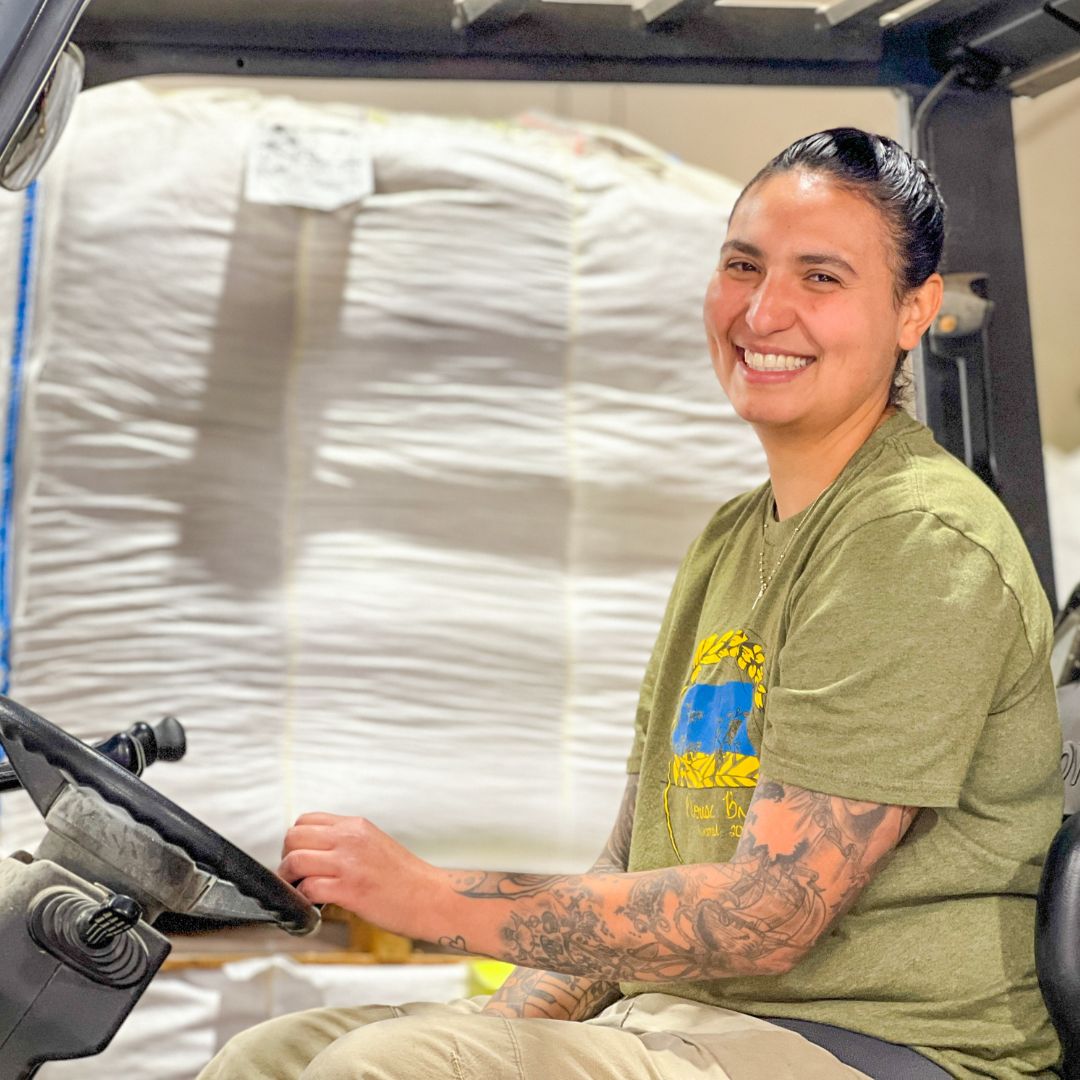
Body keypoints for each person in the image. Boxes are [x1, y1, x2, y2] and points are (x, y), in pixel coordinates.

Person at [198, 129, 1062, 1080]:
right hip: (692, 1019)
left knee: (385, 1073)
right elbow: (628, 864)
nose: (763, 312)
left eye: (821, 279)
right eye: (743, 266)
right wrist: (507, 1024)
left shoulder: (914, 539)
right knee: (273, 1056)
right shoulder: (732, 540)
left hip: (879, 1047)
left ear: (913, 312)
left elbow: (769, 914)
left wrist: (435, 899)